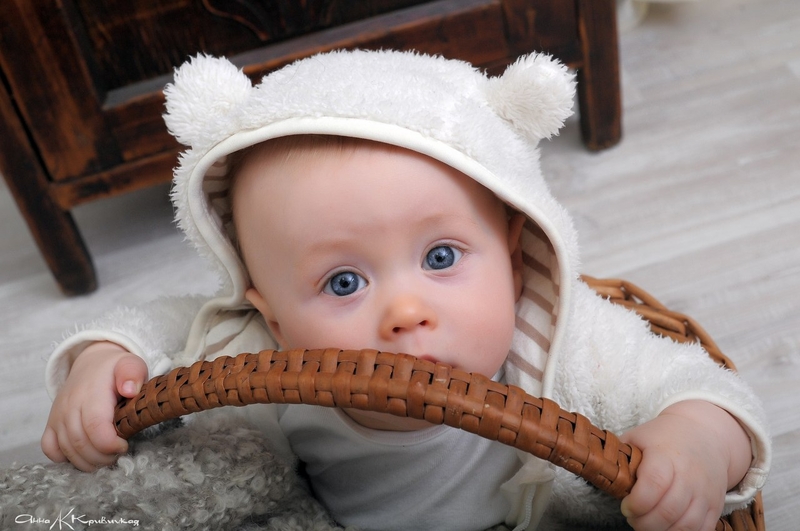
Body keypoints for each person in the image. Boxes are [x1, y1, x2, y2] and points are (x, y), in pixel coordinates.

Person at [41, 50, 770, 531]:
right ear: (273, 315)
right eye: (344, 281)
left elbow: (702, 386)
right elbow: (170, 328)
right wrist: (101, 357)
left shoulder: (559, 339)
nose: (406, 312)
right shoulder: (263, 364)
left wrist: (699, 444)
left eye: (441, 256)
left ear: (515, 261)